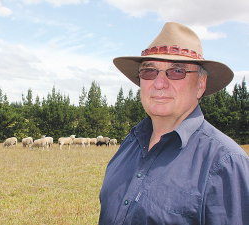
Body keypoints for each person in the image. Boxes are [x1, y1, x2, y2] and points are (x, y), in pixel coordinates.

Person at [99, 22, 249, 224]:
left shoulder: (225, 163)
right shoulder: (129, 143)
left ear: (201, 85)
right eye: (149, 71)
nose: (159, 83)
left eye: (177, 71)